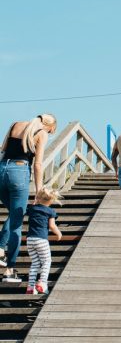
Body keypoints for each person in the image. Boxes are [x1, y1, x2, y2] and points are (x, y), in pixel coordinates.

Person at [0, 114, 57, 283]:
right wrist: (39, 191)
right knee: (17, 223)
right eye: (52, 131)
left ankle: (2, 251)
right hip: (19, 171)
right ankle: (8, 270)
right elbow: (38, 164)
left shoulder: (15, 124)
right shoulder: (41, 132)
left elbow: (3, 150)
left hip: (2, 170)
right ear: (50, 126)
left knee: (15, 214)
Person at [26, 187, 61, 296]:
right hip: (41, 240)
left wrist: (35, 202)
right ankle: (42, 282)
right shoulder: (50, 211)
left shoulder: (31, 209)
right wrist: (58, 233)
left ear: (38, 198)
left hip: (30, 240)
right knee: (47, 261)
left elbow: (31, 207)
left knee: (35, 263)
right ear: (51, 200)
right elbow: (51, 225)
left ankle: (30, 287)